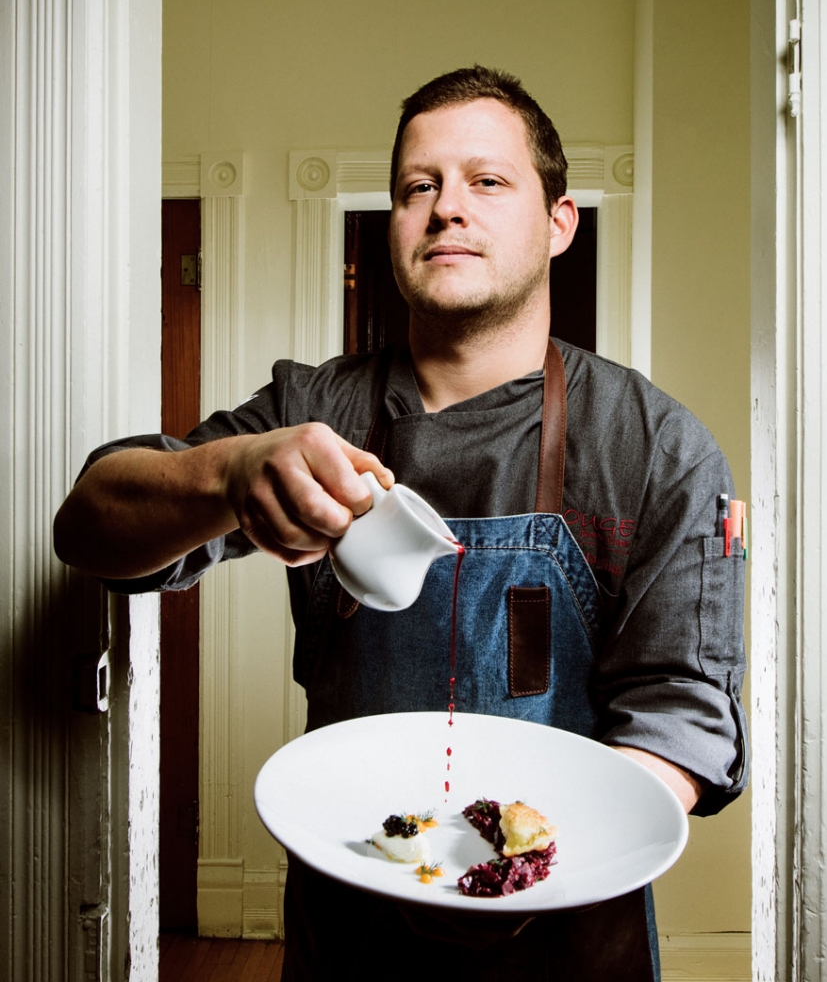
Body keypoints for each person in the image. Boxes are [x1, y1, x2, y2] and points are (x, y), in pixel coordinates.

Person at [55, 65, 748, 980]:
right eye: (417, 186)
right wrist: (229, 471)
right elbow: (91, 524)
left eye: (486, 181)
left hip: (569, 924)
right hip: (353, 914)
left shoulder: (656, 445)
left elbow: (686, 709)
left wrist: (534, 865)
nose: (445, 208)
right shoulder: (311, 410)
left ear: (558, 221)